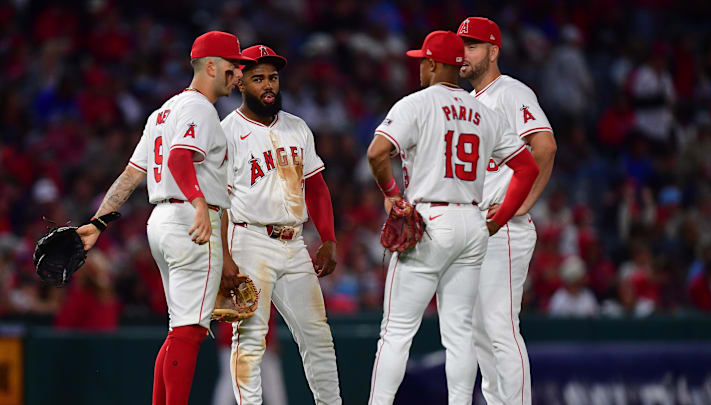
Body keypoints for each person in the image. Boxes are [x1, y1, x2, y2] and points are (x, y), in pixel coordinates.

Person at [75, 31, 254, 405]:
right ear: (210, 66)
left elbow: (131, 175)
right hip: (190, 221)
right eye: (233, 66)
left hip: (162, 222)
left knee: (179, 331)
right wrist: (200, 203)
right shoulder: (200, 109)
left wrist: (98, 222)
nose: (238, 73)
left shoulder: (163, 112)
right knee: (189, 333)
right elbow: (178, 159)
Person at [366, 30, 539, 405]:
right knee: (460, 333)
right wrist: (499, 218)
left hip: (429, 219)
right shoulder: (484, 111)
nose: (418, 68)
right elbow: (527, 167)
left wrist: (392, 195)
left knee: (396, 332)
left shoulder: (415, 104)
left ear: (431, 63)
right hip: (472, 223)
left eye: (421, 62)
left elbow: (377, 153)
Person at [220, 44, 341, 405]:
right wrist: (226, 257)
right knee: (251, 338)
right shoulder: (226, 131)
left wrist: (329, 238)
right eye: (258, 79)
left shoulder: (297, 127)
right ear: (241, 82)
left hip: (294, 242)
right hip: (249, 240)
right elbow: (219, 203)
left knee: (318, 335)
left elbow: (316, 187)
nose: (268, 85)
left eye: (272, 77)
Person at [457, 16, 557, 405]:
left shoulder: (511, 92)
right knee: (481, 330)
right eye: (461, 46)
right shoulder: (469, 102)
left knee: (499, 327)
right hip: (480, 226)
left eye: (472, 45)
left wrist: (522, 204)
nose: (463, 54)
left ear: (493, 51)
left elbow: (545, 147)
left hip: (506, 226)